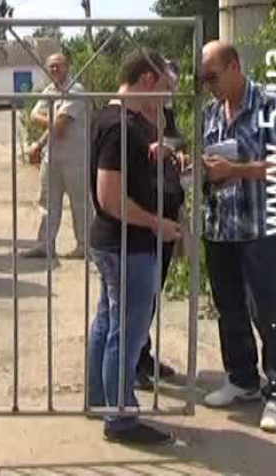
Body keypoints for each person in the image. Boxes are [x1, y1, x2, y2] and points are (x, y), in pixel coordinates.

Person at [200, 41, 276, 432]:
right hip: (220, 226)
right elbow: (210, 161)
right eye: (203, 79)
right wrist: (201, 167)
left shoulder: (272, 104)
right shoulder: (211, 112)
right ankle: (242, 378)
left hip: (259, 226)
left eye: (213, 76)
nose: (208, 85)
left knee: (268, 311)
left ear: (234, 66)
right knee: (229, 308)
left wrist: (236, 170)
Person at [87, 49, 180, 446]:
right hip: (127, 245)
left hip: (117, 243)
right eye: (165, 89)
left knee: (109, 324)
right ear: (147, 79)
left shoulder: (119, 119)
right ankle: (121, 418)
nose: (167, 99)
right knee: (125, 335)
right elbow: (110, 198)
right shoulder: (119, 127)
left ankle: (101, 400)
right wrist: (158, 223)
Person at [135, 59, 188, 390]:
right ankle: (132, 362)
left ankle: (143, 354)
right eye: (167, 85)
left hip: (166, 211)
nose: (170, 92)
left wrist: (177, 153)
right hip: (143, 216)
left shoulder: (165, 113)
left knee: (153, 291)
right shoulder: (133, 115)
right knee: (138, 294)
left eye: (173, 86)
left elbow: (175, 141)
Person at [22, 51, 89, 260]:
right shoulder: (49, 90)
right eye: (51, 66)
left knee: (80, 203)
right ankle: (45, 245)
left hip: (75, 157)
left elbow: (59, 126)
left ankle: (85, 246)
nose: (54, 69)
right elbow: (34, 116)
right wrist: (41, 141)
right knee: (47, 202)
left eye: (58, 65)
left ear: (68, 67)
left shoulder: (75, 90)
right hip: (51, 156)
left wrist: (49, 120)